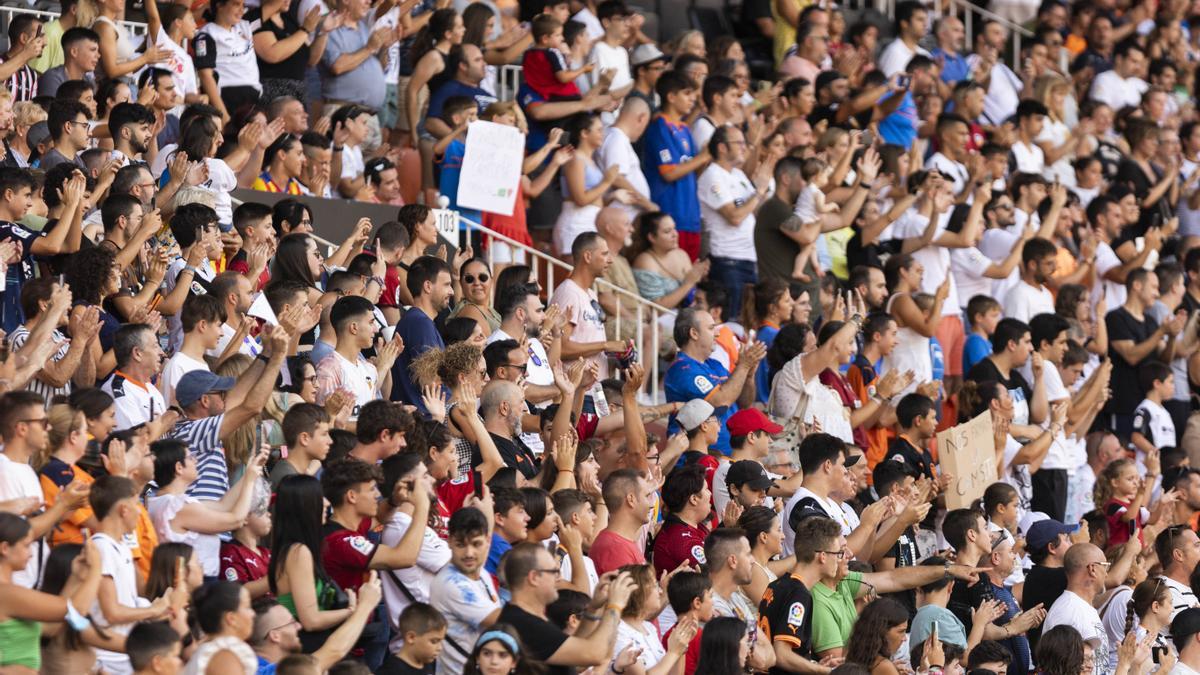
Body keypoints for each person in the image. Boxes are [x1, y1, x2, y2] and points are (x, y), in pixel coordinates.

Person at [498, 542, 638, 673]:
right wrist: (614, 606)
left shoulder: (525, 617)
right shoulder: (523, 623)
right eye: (554, 572)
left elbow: (576, 655)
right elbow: (594, 654)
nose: (559, 578)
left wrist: (594, 607)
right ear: (534, 577)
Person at [429, 506, 503, 674]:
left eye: (476, 544)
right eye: (460, 544)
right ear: (449, 541)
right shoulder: (451, 584)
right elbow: (502, 620)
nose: (469, 553)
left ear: (488, 541)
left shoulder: (480, 572)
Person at [392, 255, 454, 413]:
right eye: (447, 285)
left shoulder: (420, 322)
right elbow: (431, 385)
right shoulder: (420, 324)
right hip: (423, 422)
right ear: (427, 286)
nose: (452, 291)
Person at [1042, 543, 1111, 673]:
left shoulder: (1081, 607)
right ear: (1093, 569)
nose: (1106, 575)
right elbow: (1062, 668)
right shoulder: (1069, 610)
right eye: (1106, 566)